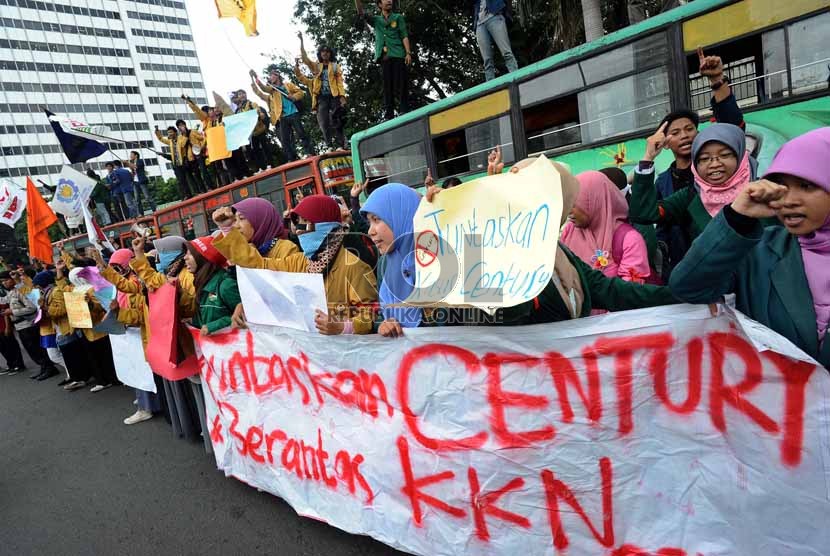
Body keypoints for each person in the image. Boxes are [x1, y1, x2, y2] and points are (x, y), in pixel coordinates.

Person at [669, 128, 830, 367]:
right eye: (781, 186)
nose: (789, 200)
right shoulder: (762, 251)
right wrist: (737, 218)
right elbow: (687, 287)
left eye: (806, 186)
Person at [633, 48, 746, 280]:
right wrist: (647, 159)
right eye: (675, 132)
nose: (684, 135)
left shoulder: (716, 178)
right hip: (686, 267)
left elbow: (733, 126)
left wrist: (716, 80)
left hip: (734, 266)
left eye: (689, 129)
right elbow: (647, 215)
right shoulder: (665, 182)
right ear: (665, 143)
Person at [213, 195, 378, 335]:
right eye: (297, 223)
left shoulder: (354, 267)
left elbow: (369, 314)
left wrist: (341, 327)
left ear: (325, 224)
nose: (298, 230)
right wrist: (227, 229)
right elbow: (259, 266)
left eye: (305, 222)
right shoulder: (299, 262)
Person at [629, 122, 755, 269]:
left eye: (724, 155)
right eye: (704, 158)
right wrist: (648, 157)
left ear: (739, 156)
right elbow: (643, 214)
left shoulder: (760, 193)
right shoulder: (691, 195)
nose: (714, 164)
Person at [93, 248, 161, 425]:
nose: (116, 271)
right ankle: (144, 401)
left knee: (142, 372)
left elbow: (139, 315)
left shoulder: (136, 281)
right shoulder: (123, 282)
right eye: (112, 267)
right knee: (133, 369)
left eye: (118, 266)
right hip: (125, 331)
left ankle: (147, 407)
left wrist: (119, 313)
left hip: (137, 333)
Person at [560, 171, 652, 284]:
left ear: (593, 202)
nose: (569, 211)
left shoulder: (630, 240)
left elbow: (631, 292)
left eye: (574, 204)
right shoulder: (568, 232)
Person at [361, 183, 423, 337]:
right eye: (369, 222)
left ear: (401, 215)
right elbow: (382, 316)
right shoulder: (384, 264)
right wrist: (384, 325)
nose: (370, 231)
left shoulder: (435, 260)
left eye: (376, 219)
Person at [355, 0, 411, 120]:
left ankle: (404, 109)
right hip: (384, 57)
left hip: (399, 54)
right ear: (380, 4)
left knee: (401, 84)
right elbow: (361, 13)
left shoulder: (398, 17)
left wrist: (408, 53)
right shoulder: (376, 20)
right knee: (387, 87)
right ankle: (389, 114)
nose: (389, 1)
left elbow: (404, 35)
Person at [0, 270, 58, 379]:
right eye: (2, 282)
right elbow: (4, 301)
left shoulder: (21, 291)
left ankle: (50, 368)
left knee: (36, 349)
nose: (4, 283)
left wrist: (12, 312)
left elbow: (32, 308)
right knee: (32, 351)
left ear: (13, 279)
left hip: (27, 325)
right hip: (19, 326)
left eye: (6, 280)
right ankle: (43, 368)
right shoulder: (11, 292)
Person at [296, 32, 347, 151]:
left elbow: (339, 82)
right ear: (320, 53)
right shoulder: (316, 66)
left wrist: (342, 96)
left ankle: (340, 144)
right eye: (323, 51)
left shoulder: (335, 66)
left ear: (330, 54)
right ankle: (329, 145)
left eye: (327, 51)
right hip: (321, 97)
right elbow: (305, 59)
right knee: (324, 122)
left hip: (334, 96)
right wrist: (301, 41)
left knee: (337, 120)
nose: (325, 53)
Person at [250, 69, 314, 162]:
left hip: (293, 113)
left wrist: (294, 97)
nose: (270, 78)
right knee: (285, 139)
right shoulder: (272, 90)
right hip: (282, 116)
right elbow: (263, 88)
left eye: (271, 75)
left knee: (301, 133)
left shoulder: (288, 85)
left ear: (277, 75)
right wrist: (255, 77)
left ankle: (309, 152)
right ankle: (290, 158)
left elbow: (300, 92)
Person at [211, 198, 300, 262]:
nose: (236, 226)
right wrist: (226, 227)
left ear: (261, 220)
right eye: (234, 220)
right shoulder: (250, 248)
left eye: (241, 218)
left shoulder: (286, 249)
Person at [472, 0, 518, 81]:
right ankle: (490, 86)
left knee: (506, 52)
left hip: (495, 17)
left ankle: (516, 78)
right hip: (480, 24)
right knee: (487, 60)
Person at [234, 90, 270, 172]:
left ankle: (270, 164)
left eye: (243, 93)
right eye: (240, 94)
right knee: (255, 151)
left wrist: (260, 114)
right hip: (250, 134)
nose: (242, 95)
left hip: (259, 129)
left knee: (265, 148)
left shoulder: (251, 104)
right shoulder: (238, 110)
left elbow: (258, 111)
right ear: (238, 97)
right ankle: (261, 167)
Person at [155, 125, 193, 199]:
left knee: (190, 178)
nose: (169, 134)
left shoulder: (181, 138)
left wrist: (184, 133)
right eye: (168, 133)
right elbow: (161, 138)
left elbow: (184, 143)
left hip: (184, 162)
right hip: (176, 164)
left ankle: (194, 192)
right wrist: (157, 131)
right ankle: (186, 195)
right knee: (181, 181)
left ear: (175, 132)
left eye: (171, 132)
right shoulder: (170, 142)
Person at [176, 119, 208, 193]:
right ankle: (203, 190)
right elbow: (182, 145)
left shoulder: (193, 131)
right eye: (179, 126)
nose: (181, 127)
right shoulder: (180, 137)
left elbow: (202, 138)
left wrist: (202, 146)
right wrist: (185, 135)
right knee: (197, 175)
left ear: (185, 124)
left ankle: (210, 187)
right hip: (190, 158)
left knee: (204, 171)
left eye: (182, 125)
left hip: (198, 154)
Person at [0, 280, 24, 376]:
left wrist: (7, 327)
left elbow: (5, 312)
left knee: (11, 345)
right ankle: (10, 365)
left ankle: (19, 365)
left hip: (3, 326)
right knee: (2, 348)